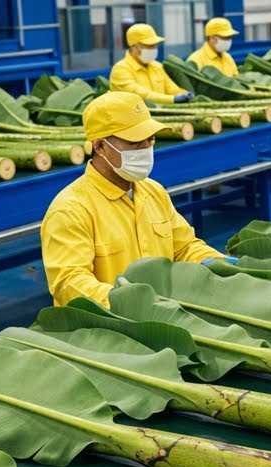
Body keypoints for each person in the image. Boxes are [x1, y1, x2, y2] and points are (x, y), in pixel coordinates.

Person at [40, 92, 225, 307]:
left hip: (162, 313)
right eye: (135, 141)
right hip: (110, 328)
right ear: (100, 147)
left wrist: (219, 264)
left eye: (150, 139)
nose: (146, 148)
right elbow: (69, 283)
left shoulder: (154, 192)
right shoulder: (70, 209)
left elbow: (184, 248)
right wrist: (132, 303)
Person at [109, 23, 192, 105]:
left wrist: (184, 93)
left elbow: (171, 88)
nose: (153, 49)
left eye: (154, 45)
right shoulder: (121, 70)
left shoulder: (157, 66)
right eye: (149, 46)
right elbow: (142, 95)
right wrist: (173, 99)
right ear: (134, 47)